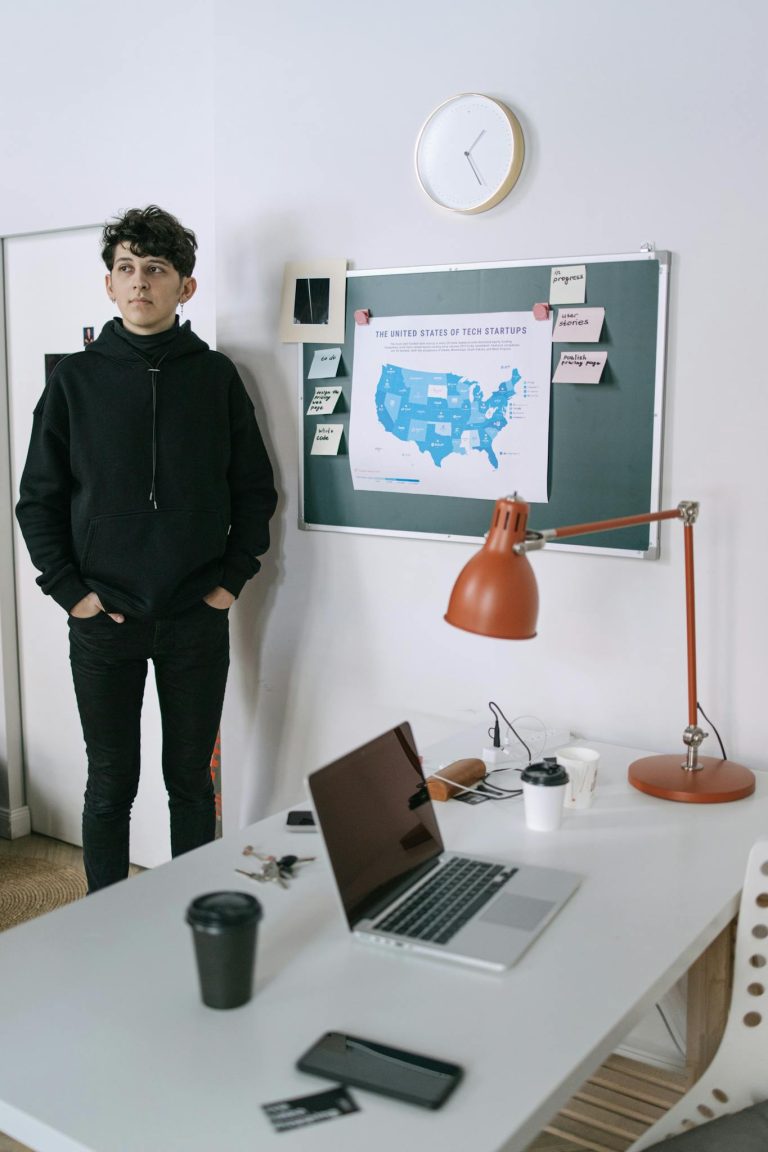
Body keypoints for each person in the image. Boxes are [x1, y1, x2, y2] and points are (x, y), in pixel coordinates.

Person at [15, 205, 277, 893]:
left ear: (183, 287)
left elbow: (255, 492)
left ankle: (192, 914)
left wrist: (229, 582)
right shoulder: (74, 381)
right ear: (109, 285)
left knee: (191, 784)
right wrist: (73, 594)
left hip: (195, 617)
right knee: (109, 786)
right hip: (104, 625)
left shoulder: (216, 377)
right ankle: (103, 922)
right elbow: (36, 501)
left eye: (155, 270)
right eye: (126, 269)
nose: (139, 283)